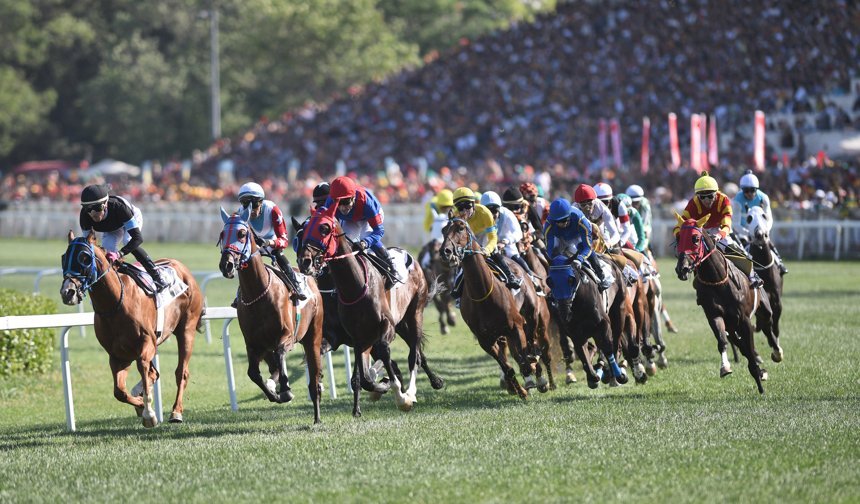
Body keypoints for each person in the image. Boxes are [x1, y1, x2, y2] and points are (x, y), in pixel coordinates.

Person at [674, 172, 763, 288]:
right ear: (697, 196)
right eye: (702, 197)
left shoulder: (724, 200)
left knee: (738, 251)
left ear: (716, 194)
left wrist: (719, 236)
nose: (706, 200)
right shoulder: (693, 203)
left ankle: (752, 276)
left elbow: (727, 224)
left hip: (720, 230)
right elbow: (680, 225)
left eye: (710, 196)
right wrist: (679, 236)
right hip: (701, 231)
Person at [79, 184, 168, 291]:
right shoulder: (84, 216)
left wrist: (119, 254)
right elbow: (88, 245)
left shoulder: (120, 208)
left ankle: (156, 275)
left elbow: (138, 238)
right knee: (106, 252)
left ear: (105, 204)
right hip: (112, 228)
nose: (93, 213)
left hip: (130, 217)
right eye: (88, 208)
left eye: (97, 207)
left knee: (128, 241)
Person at [236, 182, 306, 300]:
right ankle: (239, 294)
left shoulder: (272, 209)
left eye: (254, 205)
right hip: (253, 248)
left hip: (272, 246)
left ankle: (295, 284)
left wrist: (269, 243)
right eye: (246, 205)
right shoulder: (240, 213)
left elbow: (284, 240)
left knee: (279, 255)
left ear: (261, 202)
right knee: (243, 265)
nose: (251, 211)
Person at [450, 187, 520, 302]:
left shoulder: (485, 213)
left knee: (494, 251)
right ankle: (457, 289)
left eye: (467, 206)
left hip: (485, 238)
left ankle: (510, 276)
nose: (464, 211)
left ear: (474, 204)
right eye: (460, 207)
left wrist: (487, 250)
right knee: (463, 262)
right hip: (470, 241)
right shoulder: (456, 217)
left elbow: (492, 237)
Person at [324, 176, 400, 281]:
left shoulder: (366, 202)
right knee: (344, 242)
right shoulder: (329, 203)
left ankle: (391, 265)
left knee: (365, 236)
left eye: (345, 202)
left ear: (353, 197)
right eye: (338, 203)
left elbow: (379, 231)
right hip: (350, 219)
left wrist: (365, 243)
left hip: (368, 217)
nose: (341, 207)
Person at [543, 197, 612, 291]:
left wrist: (579, 259)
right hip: (560, 238)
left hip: (577, 235)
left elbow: (588, 247)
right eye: (557, 221)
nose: (561, 224)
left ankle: (601, 275)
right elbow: (549, 250)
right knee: (555, 255)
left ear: (570, 216)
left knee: (582, 247)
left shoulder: (580, 219)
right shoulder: (548, 224)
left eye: (564, 220)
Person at [731, 170, 788, 274]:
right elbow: (736, 224)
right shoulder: (737, 200)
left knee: (768, 242)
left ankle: (780, 263)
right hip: (744, 231)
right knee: (741, 248)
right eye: (746, 191)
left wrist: (765, 230)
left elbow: (769, 219)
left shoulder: (764, 198)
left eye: (752, 190)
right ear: (742, 190)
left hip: (761, 229)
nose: (749, 194)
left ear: (756, 189)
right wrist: (747, 233)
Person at [481, 191, 540, 288]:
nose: (492, 215)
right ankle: (458, 289)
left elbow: (518, 234)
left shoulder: (507, 214)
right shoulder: (478, 217)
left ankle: (531, 277)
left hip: (507, 245)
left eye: (495, 211)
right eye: (488, 212)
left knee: (514, 256)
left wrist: (505, 242)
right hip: (486, 246)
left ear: (499, 208)